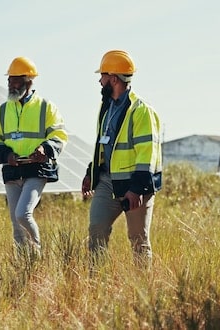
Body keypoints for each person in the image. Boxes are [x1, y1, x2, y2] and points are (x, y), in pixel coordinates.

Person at [81, 50, 163, 267]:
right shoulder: (105, 108)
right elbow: (103, 145)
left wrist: (137, 189)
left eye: (103, 76)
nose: (100, 80)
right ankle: (95, 283)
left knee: (138, 240)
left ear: (114, 79)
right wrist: (92, 173)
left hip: (135, 186)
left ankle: (142, 291)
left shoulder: (141, 111)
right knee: (96, 230)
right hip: (108, 183)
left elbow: (148, 154)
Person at [0, 56, 68, 255]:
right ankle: (24, 265)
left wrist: (44, 150)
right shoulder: (2, 111)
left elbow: (59, 135)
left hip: (36, 170)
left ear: (28, 81)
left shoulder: (46, 107)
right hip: (12, 170)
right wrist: (5, 155)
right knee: (16, 223)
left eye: (16, 80)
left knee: (23, 214)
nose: (11, 84)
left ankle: (37, 254)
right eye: (9, 80)